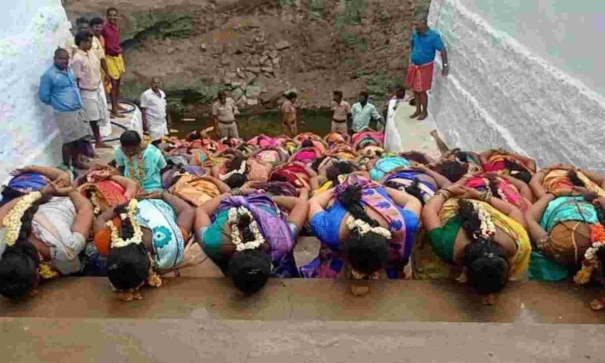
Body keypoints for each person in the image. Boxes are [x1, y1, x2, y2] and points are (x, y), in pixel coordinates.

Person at [303, 174, 421, 296]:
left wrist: (333, 191)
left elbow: (313, 202)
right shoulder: (406, 224)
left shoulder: (330, 230)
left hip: (367, 191)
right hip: (358, 192)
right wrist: (385, 189)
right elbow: (413, 201)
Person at [421, 185, 530, 304]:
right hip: (455, 204)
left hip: (473, 202)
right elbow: (428, 211)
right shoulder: (445, 244)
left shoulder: (519, 237)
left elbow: (429, 210)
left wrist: (448, 191)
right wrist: (450, 193)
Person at [194, 189, 309, 294]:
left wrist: (228, 194)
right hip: (261, 202)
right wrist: (267, 197)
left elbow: (201, 210)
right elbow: (302, 204)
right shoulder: (282, 240)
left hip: (254, 203)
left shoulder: (213, 242)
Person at [92, 192, 196, 300]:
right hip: (138, 204)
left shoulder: (168, 241)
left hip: (161, 204)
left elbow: (188, 211)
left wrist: (163, 195)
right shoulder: (105, 241)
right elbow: (99, 220)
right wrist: (130, 202)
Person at [0, 179, 94, 299]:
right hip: (42, 196)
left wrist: (70, 191)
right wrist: (42, 192)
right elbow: (6, 208)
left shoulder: (67, 249)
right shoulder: (3, 235)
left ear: (38, 275)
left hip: (68, 200)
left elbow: (85, 207)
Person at [38, 48, 91, 170]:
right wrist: (59, 103)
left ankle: (77, 160)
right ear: (55, 59)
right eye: (61, 58)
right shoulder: (49, 76)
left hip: (77, 108)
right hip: (64, 112)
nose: (64, 61)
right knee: (68, 141)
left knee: (78, 137)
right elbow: (44, 96)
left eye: (66, 58)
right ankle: (67, 167)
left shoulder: (69, 70)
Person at [71, 31, 111, 150]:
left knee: (97, 116)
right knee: (90, 118)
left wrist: (106, 75)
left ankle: (99, 140)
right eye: (88, 42)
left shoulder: (91, 53)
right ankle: (90, 144)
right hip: (86, 91)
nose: (90, 44)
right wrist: (77, 97)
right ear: (82, 43)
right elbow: (76, 79)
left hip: (95, 89)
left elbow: (98, 66)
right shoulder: (77, 59)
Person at [406, 17, 449, 121]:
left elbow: (442, 50)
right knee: (415, 89)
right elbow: (412, 43)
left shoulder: (433, 36)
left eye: (417, 25)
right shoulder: (415, 33)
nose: (415, 27)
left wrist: (445, 65)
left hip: (425, 67)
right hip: (414, 65)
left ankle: (424, 112)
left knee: (421, 90)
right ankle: (418, 110)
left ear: (424, 23)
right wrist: (412, 57)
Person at [102, 7, 126, 118]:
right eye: (110, 15)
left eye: (114, 15)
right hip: (109, 57)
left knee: (119, 80)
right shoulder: (104, 28)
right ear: (107, 16)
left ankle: (117, 103)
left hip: (117, 57)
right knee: (113, 83)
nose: (112, 17)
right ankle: (114, 109)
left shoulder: (116, 27)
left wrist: (118, 49)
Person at [141, 78, 171, 145]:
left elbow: (165, 106)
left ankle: (158, 152)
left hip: (161, 121)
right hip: (152, 122)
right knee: (155, 140)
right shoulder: (146, 94)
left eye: (158, 83)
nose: (156, 85)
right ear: (151, 84)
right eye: (154, 83)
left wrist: (168, 118)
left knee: (160, 139)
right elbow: (143, 109)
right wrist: (144, 122)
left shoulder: (162, 93)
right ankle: (156, 153)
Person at [90, 17, 113, 101]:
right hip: (92, 70)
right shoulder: (89, 40)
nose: (99, 29)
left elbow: (102, 57)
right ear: (91, 28)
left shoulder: (101, 38)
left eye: (100, 27)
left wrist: (106, 72)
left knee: (106, 88)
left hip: (101, 67)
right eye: (96, 27)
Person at [383, 87, 405, 153]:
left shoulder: (406, 101)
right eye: (397, 91)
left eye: (399, 91)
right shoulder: (392, 101)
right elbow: (385, 110)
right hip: (391, 121)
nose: (398, 93)